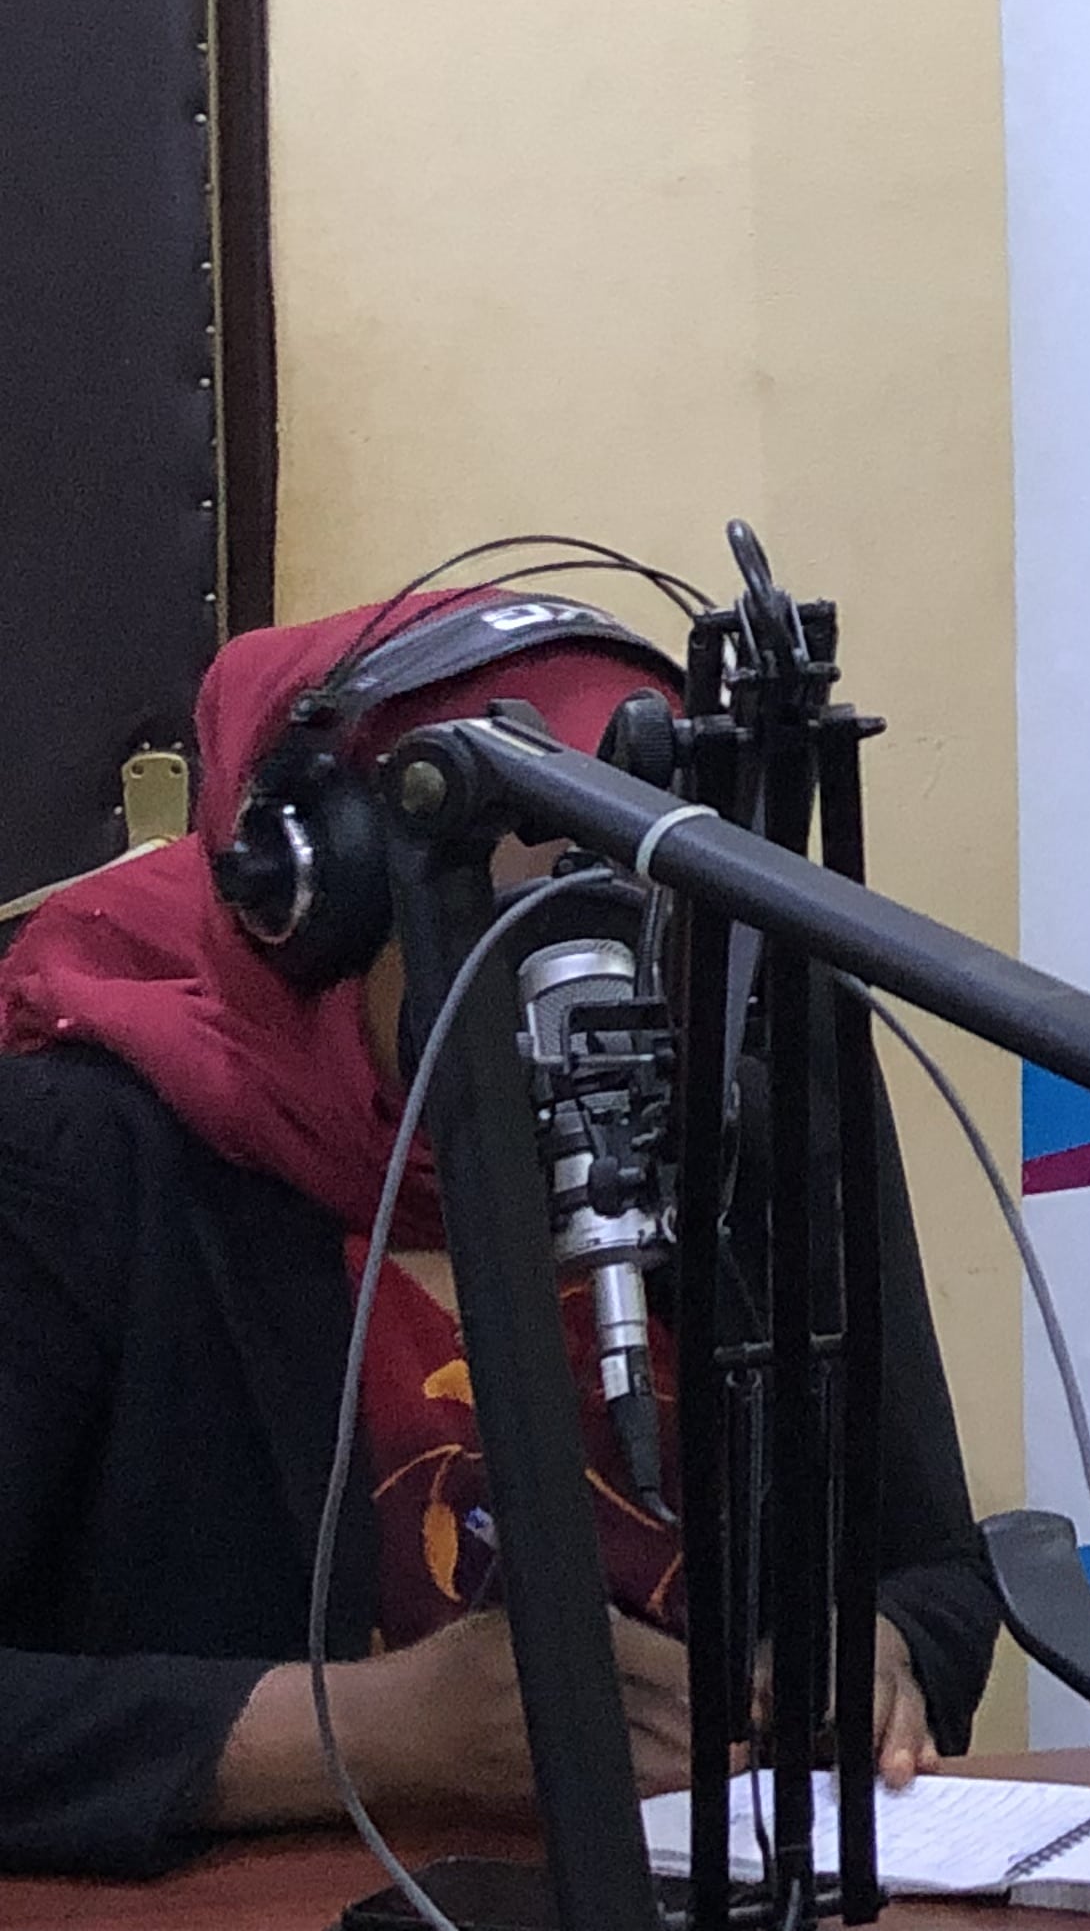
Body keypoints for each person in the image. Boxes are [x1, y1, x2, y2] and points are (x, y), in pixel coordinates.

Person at [0, 591, 1001, 1877]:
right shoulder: (82, 1156)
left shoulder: (756, 1108)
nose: (582, 1009)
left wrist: (881, 1649)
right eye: (516, 929)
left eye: (627, 930)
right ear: (311, 908)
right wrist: (361, 1735)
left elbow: (937, 1571)